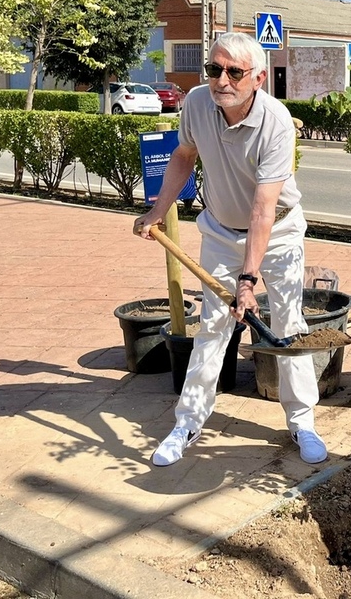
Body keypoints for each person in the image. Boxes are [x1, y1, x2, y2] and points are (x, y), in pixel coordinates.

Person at [134, 32, 328, 467]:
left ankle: (302, 421)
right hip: (221, 232)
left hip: (277, 233)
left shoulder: (276, 121)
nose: (221, 80)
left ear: (258, 78)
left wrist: (247, 280)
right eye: (213, 68)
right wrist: (157, 211)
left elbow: (263, 210)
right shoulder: (198, 104)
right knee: (212, 328)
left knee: (288, 325)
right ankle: (187, 422)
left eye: (234, 72)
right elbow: (183, 155)